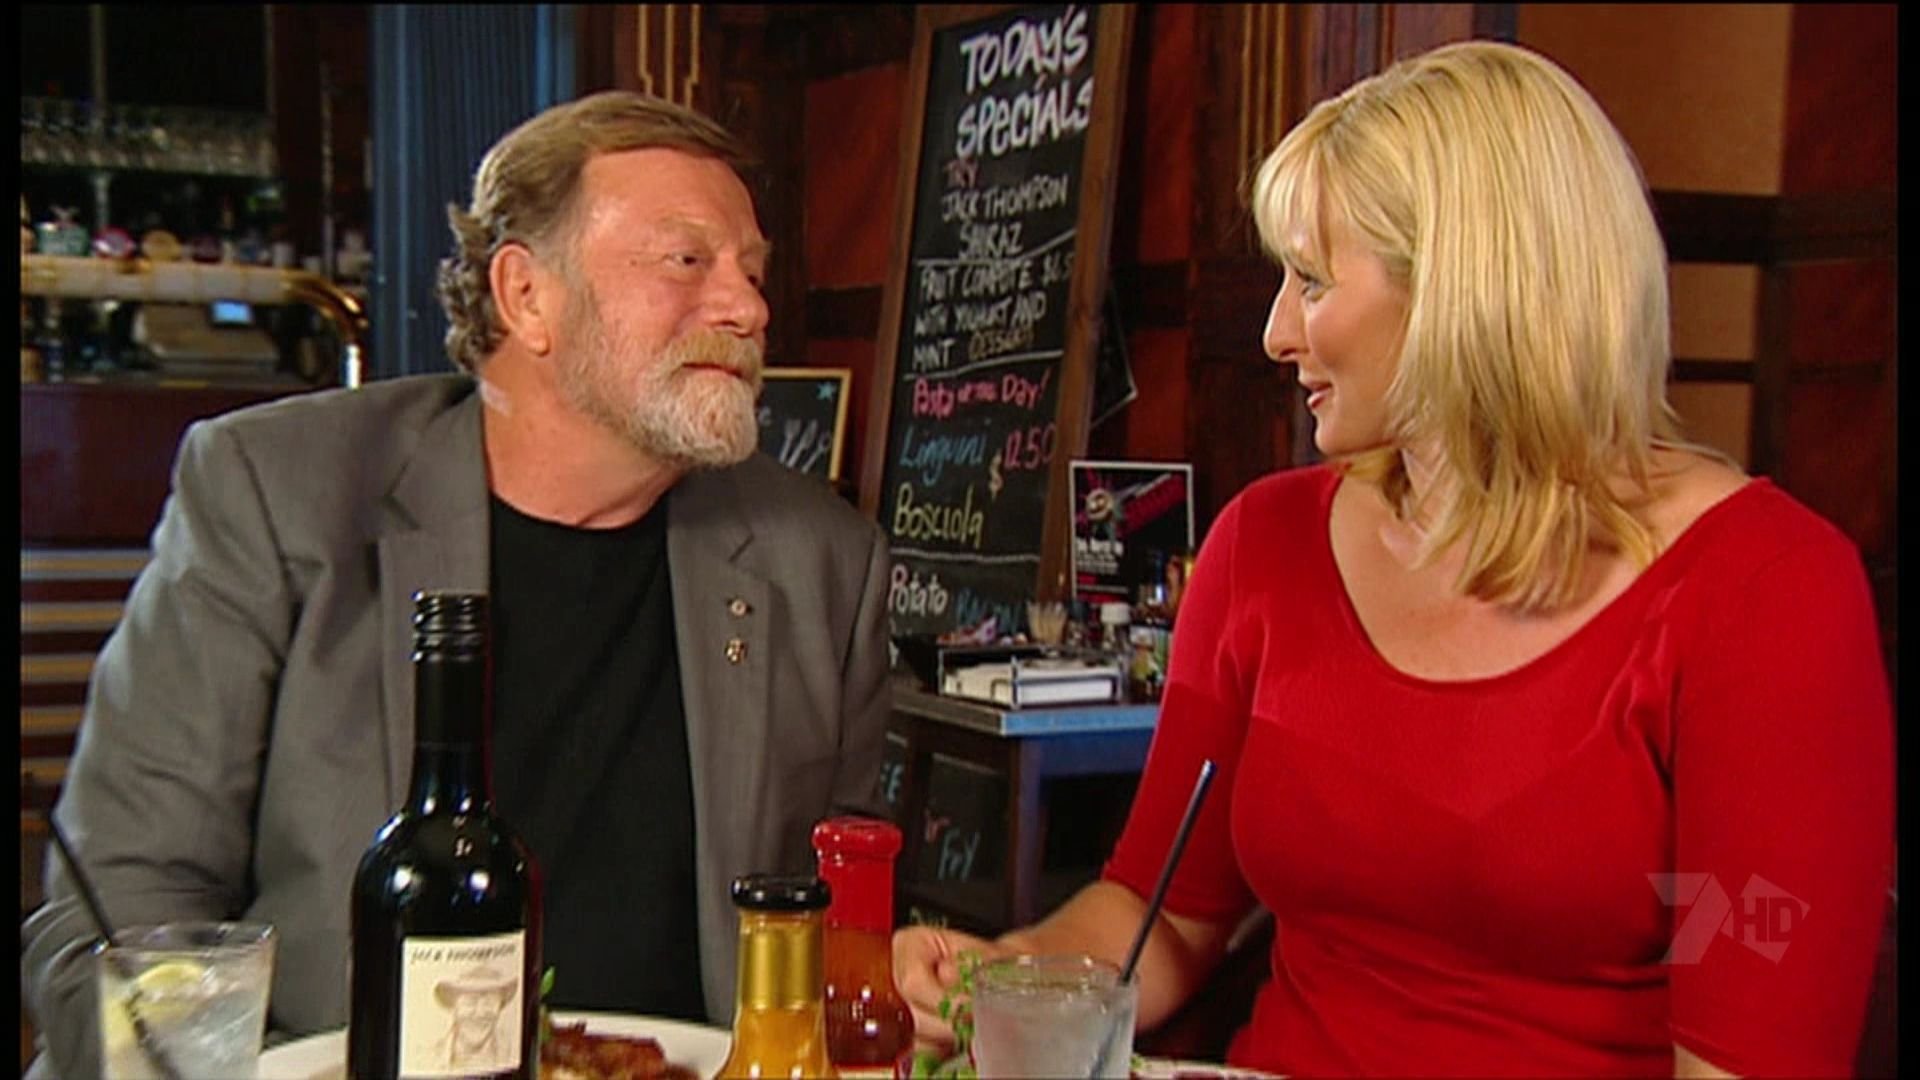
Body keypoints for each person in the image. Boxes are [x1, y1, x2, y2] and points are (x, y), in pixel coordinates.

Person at [895, 41, 1892, 1079]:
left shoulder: (1764, 594)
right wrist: (996, 977)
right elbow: (1165, 917)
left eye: (1313, 281)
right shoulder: (1262, 546)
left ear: (1466, 289)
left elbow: (1747, 1056)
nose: (1276, 332)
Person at [22, 91, 894, 1080]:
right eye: (687, 261)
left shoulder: (821, 561)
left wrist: (889, 969)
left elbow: (839, 928)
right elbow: (116, 915)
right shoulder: (278, 496)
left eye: (752, 272)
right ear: (526, 295)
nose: (748, 308)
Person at [432, 966, 519, 1069]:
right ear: (454, 1008)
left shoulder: (511, 1051)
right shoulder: (432, 1055)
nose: (480, 1013)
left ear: (500, 1007)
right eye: (470, 1003)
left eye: (489, 1003)